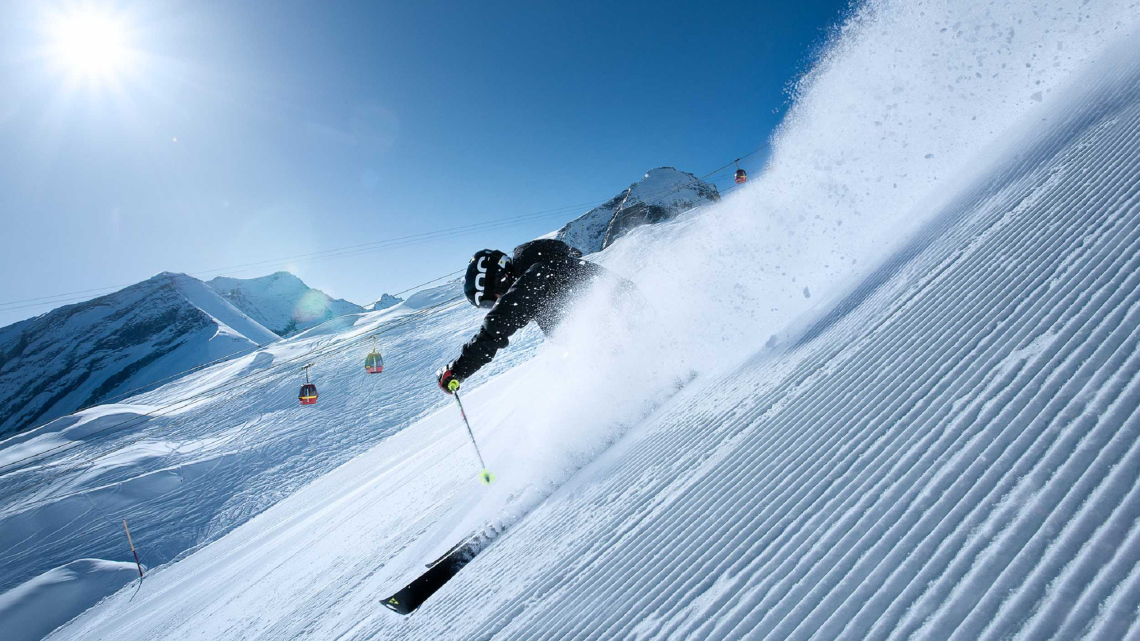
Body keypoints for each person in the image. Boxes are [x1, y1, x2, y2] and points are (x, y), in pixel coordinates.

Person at [436, 238, 626, 394]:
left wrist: (459, 369)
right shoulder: (537, 277)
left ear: (498, 279)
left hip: (626, 317)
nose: (497, 303)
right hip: (619, 332)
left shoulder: (538, 271)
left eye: (492, 299)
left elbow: (501, 320)